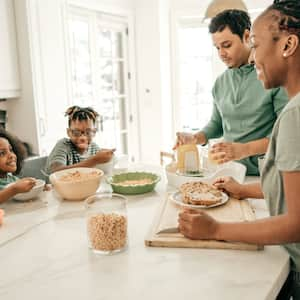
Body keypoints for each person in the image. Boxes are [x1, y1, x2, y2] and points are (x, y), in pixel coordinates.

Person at [178, 1, 300, 298]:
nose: (253, 56)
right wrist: (245, 190)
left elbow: (295, 223)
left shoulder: (293, 112)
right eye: (217, 47)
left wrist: (215, 230)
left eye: (255, 45)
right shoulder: (223, 84)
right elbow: (290, 195)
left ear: (288, 44)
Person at [175, 9, 288, 175]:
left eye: (227, 45)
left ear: (247, 37)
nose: (221, 54)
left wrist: (244, 149)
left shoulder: (271, 77)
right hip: (230, 173)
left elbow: (287, 136)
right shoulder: (220, 83)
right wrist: (195, 138)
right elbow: (217, 124)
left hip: (267, 176)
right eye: (217, 47)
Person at [46, 106, 115, 173]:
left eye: (88, 132)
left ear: (94, 132)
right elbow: (56, 171)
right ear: (69, 132)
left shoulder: (94, 148)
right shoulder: (64, 145)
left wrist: (105, 156)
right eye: (76, 132)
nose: (82, 138)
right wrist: (94, 160)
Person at [0, 129, 36, 203]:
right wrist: (14, 190)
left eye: (11, 150)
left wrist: (35, 187)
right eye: (2, 153)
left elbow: (23, 190)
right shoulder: (14, 186)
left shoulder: (12, 179)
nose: (11, 155)